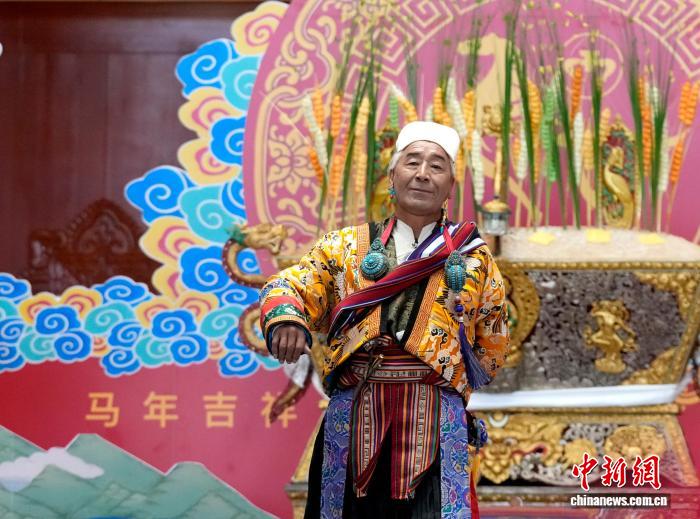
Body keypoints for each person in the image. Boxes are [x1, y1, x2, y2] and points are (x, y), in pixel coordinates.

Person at [260, 121, 510, 518]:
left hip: (436, 418)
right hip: (355, 410)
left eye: (437, 166)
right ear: (392, 176)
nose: (423, 174)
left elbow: (493, 342)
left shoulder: (473, 258)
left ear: (450, 185)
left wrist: (444, 374)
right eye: (412, 162)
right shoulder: (346, 246)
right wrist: (286, 318)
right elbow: (291, 283)